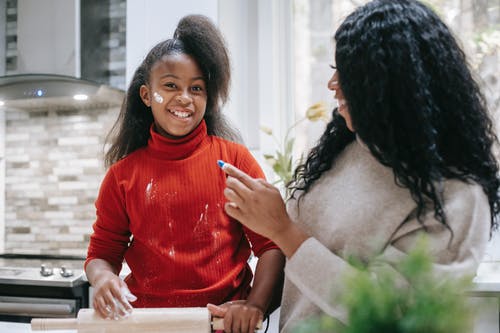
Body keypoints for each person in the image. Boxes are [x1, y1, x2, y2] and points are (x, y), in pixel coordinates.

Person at [214, 0, 500, 332]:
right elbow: (303, 268)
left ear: (390, 84)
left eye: (347, 73)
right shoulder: (346, 148)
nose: (332, 84)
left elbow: (386, 311)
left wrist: (282, 230)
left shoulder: (458, 197)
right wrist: (255, 304)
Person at [84, 14, 285, 333]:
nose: (185, 98)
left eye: (197, 88)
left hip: (222, 326)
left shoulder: (234, 161)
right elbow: (100, 256)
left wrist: (255, 304)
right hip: (146, 326)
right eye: (171, 86)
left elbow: (271, 245)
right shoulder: (122, 177)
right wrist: (104, 277)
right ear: (147, 95)